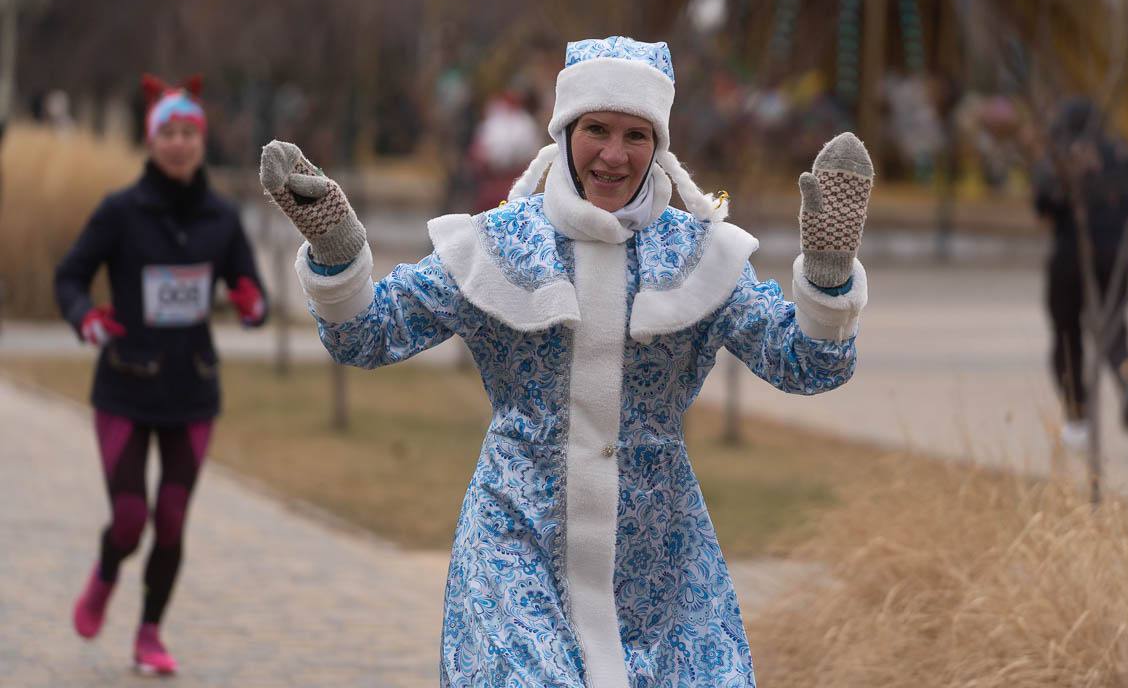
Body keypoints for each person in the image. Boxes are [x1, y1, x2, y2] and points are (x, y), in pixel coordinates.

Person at [260, 36, 872, 687]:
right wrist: (335, 245)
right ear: (564, 132)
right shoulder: (499, 243)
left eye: (635, 135)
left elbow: (807, 365)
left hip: (660, 561)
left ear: (659, 144)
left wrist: (830, 274)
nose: (613, 153)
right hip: (515, 541)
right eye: (597, 129)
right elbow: (367, 336)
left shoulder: (700, 253)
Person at [55, 74, 268, 676]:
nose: (178, 144)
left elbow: (252, 292)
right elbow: (69, 277)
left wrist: (253, 304)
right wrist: (83, 317)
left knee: (170, 520)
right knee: (129, 519)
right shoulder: (119, 212)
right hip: (124, 386)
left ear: (201, 141)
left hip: (192, 392)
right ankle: (104, 575)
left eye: (188, 133)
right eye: (167, 133)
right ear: (151, 141)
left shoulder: (222, 219)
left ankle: (149, 634)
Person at [1034, 97, 1128, 451]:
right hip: (1116, 255)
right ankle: (1124, 369)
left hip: (1070, 255)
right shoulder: (1122, 154)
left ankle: (1077, 418)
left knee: (1066, 333)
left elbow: (1042, 202)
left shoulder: (1062, 158)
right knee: (1113, 325)